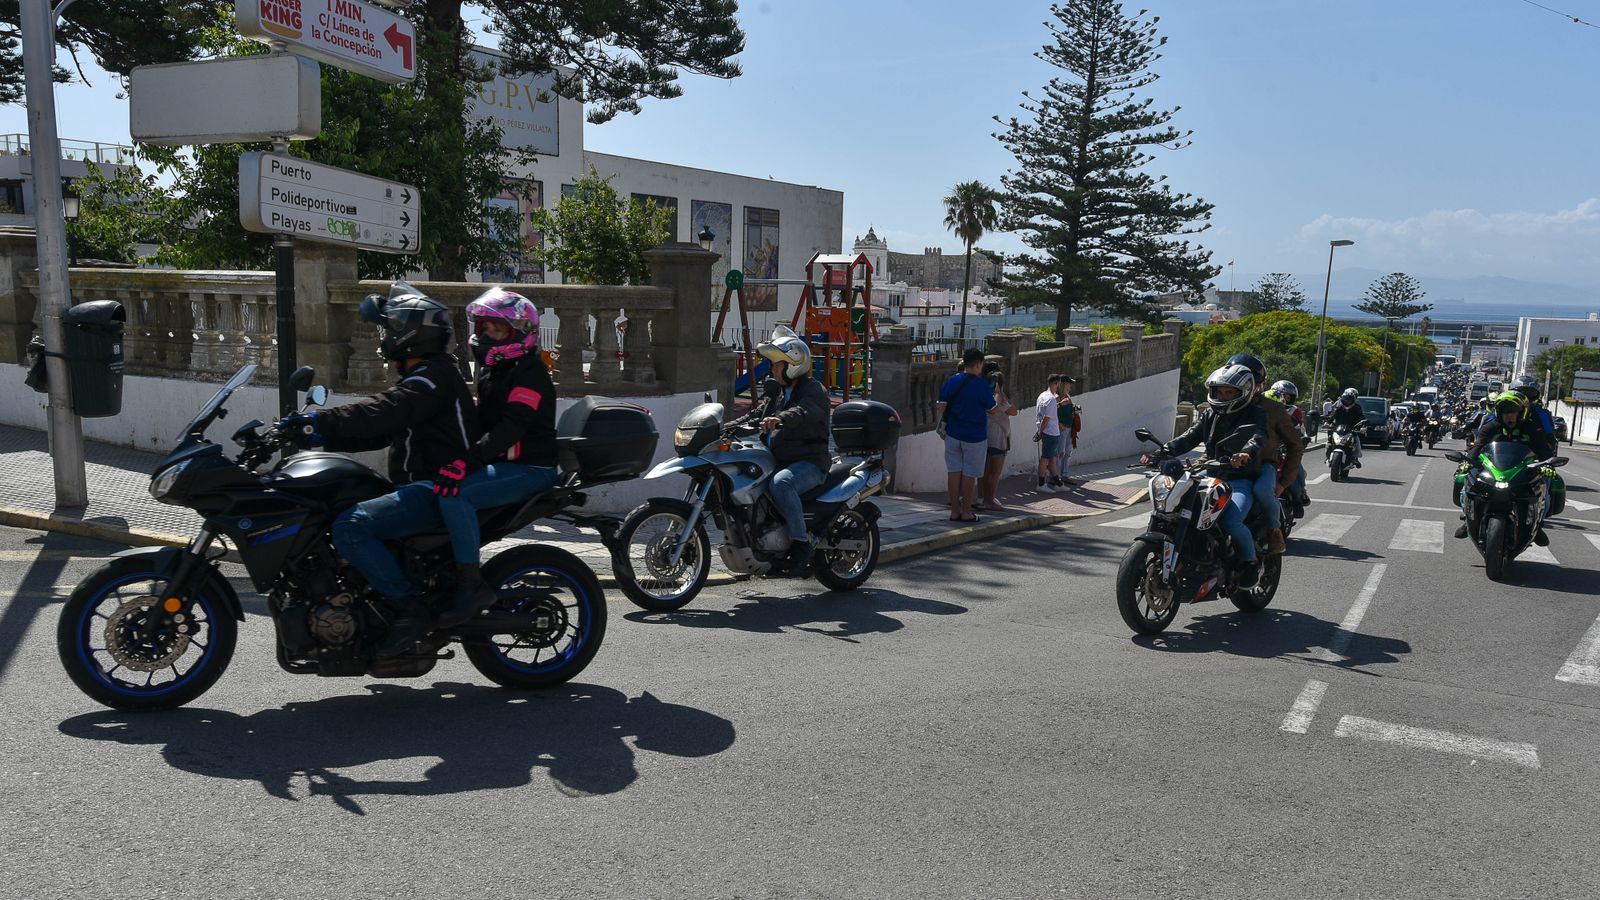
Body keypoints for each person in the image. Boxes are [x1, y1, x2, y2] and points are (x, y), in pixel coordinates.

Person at [280, 282, 479, 656]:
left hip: (437, 488)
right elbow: (381, 430)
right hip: (424, 484)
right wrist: (316, 436)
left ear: (411, 334)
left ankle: (408, 608)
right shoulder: (431, 375)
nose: (385, 337)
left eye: (390, 329)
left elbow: (382, 411)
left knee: (351, 527)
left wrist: (319, 424)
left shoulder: (432, 377)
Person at [429, 288, 561, 626]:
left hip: (532, 467)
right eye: (485, 328)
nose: (488, 335)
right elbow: (478, 421)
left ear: (520, 334)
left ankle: (470, 584)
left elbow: (510, 429)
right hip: (502, 463)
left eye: (497, 330)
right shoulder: (493, 371)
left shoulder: (530, 373)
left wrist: (465, 462)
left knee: (456, 493)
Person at [1141, 364, 1269, 587]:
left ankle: (1250, 562)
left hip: (1240, 480)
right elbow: (1188, 438)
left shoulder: (1257, 415)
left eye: (1230, 392)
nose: (1224, 395)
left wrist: (1245, 453)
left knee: (1231, 520)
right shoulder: (1210, 415)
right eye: (1220, 391)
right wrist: (1160, 452)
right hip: (1209, 474)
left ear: (1245, 392)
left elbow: (1258, 437)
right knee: (1173, 510)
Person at [755, 325, 832, 574]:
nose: (773, 369)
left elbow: (804, 411)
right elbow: (755, 415)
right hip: (783, 459)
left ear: (793, 365)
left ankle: (801, 541)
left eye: (778, 364)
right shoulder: (777, 394)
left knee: (781, 484)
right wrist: (724, 427)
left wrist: (781, 419)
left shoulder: (813, 390)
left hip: (810, 462)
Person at [1454, 391, 1560, 542]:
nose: (1508, 415)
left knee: (1546, 484)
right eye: (1504, 412)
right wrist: (1466, 462)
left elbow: (1544, 451)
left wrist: (1547, 465)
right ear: (1499, 413)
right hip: (1493, 469)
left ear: (1521, 413)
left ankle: (1539, 524)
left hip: (1523, 470)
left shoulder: (1533, 429)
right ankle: (1467, 519)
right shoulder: (1490, 428)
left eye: (1512, 412)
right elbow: (1477, 448)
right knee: (1467, 480)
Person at [1225, 354, 1301, 555]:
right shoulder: (1222, 403)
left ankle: (1274, 530)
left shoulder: (1271, 408)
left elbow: (1295, 444)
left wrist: (1283, 482)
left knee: (1263, 491)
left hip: (1262, 464)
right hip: (1225, 464)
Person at [937, 348, 996, 522]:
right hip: (975, 435)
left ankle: (954, 511)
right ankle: (967, 511)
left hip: (953, 433)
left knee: (953, 472)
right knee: (970, 474)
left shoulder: (951, 381)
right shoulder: (982, 385)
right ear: (978, 364)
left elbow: (940, 406)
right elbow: (991, 409)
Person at [1265, 379, 1311, 518]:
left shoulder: (1295, 412)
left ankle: (1300, 495)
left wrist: (1302, 440)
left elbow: (1300, 431)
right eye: (1281, 395)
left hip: (1286, 448)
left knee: (1297, 471)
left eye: (1287, 396)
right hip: (1268, 450)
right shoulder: (1262, 409)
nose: (1284, 399)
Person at [977, 365, 1018, 511]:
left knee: (985, 470)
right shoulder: (1000, 397)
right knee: (995, 472)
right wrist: (1003, 397)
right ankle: (989, 500)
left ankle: (981, 497)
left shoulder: (982, 395)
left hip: (984, 435)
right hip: (999, 437)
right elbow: (1014, 412)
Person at [1034, 374, 1063, 491]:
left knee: (1051, 458)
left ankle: (1058, 483)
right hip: (1050, 432)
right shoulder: (1051, 399)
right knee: (1046, 458)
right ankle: (1041, 484)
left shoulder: (1042, 396)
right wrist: (1040, 432)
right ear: (1056, 383)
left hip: (1047, 431)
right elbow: (1047, 418)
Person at [1054, 375, 1082, 486]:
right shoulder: (1056, 397)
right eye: (1069, 383)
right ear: (1064, 384)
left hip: (1069, 427)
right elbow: (1052, 412)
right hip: (1061, 428)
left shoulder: (1067, 396)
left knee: (1067, 452)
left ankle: (1064, 475)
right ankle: (1055, 475)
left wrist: (1075, 409)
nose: (1071, 386)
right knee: (1060, 452)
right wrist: (1059, 424)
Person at [1328, 388, 1366, 467]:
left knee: (1357, 440)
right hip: (1338, 428)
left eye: (1349, 399)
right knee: (1329, 440)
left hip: (1351, 429)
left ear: (1354, 399)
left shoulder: (1357, 408)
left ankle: (1355, 458)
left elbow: (1361, 417)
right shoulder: (1339, 407)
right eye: (1345, 399)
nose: (1347, 401)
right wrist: (1327, 422)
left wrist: (1363, 424)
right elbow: (1332, 416)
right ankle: (1328, 455)